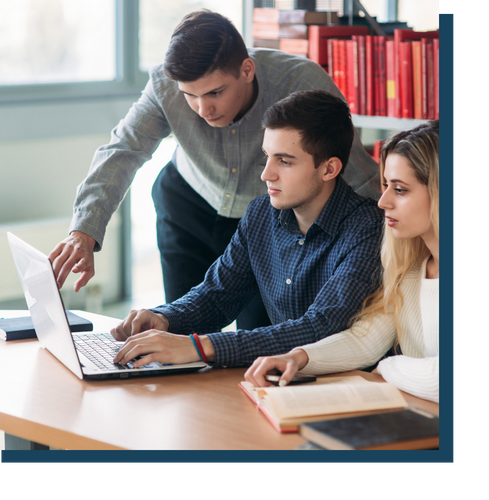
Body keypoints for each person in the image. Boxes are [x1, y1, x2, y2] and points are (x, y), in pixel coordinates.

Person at [48, 9, 381, 331]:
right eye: (189, 96)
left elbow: (352, 169)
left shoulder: (301, 82)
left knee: (257, 335)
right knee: (177, 324)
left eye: (215, 92)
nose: (202, 109)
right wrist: (84, 231)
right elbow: (123, 150)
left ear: (246, 69)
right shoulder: (164, 86)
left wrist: (392, 242)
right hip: (187, 206)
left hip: (263, 220)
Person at [109, 90, 384, 370]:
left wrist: (200, 347)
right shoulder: (261, 214)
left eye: (285, 161)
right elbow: (218, 295)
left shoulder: (368, 229)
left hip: (349, 388)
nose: (267, 174)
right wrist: (164, 318)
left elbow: (320, 328)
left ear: (329, 169)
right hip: (282, 382)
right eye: (267, 156)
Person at [244, 121, 440, 403]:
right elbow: (366, 340)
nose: (382, 201)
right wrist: (298, 358)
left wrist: (387, 367)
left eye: (399, 190)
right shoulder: (411, 272)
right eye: (385, 186)